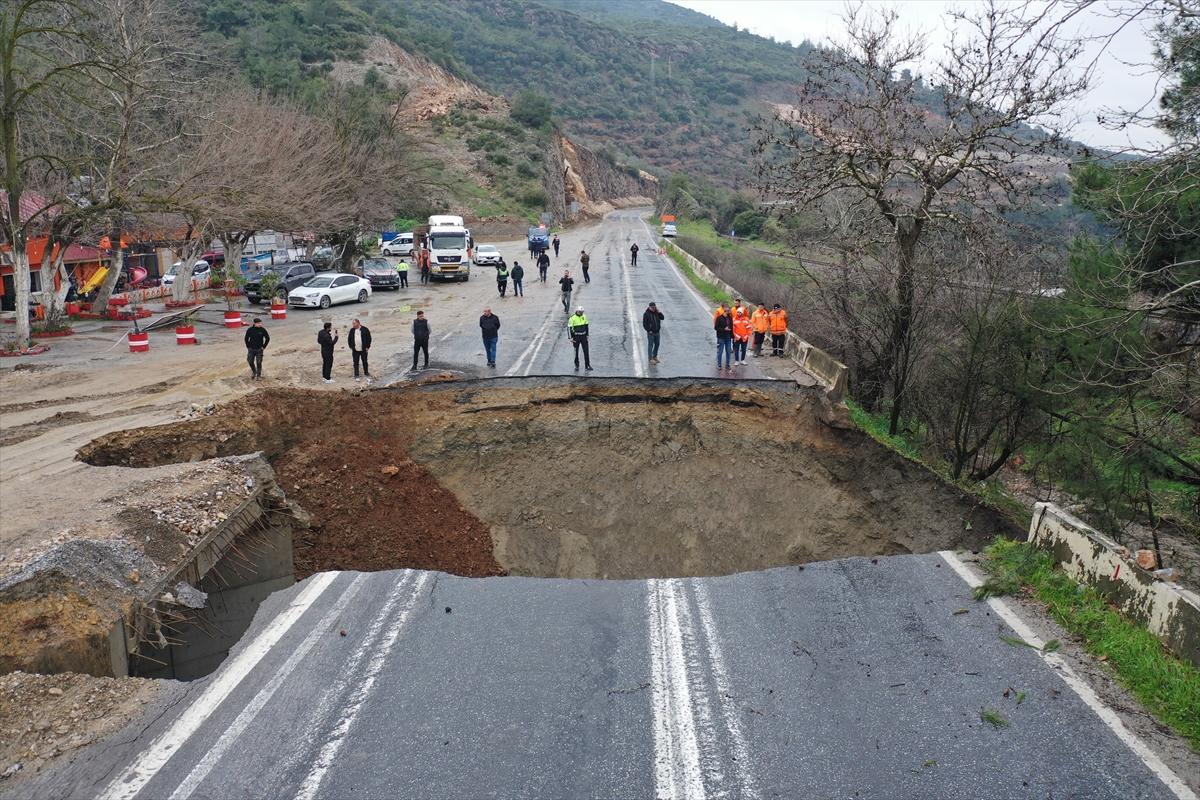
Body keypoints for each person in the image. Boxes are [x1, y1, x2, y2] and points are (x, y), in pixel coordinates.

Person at [568, 306, 592, 370]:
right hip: (576, 336)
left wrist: (587, 334)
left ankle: (587, 365)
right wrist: (570, 338)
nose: (582, 313)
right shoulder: (572, 318)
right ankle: (576, 364)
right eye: (581, 312)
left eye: (582, 312)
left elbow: (586, 325)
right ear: (577, 311)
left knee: (586, 351)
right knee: (576, 351)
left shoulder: (584, 316)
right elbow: (569, 328)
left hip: (583, 336)